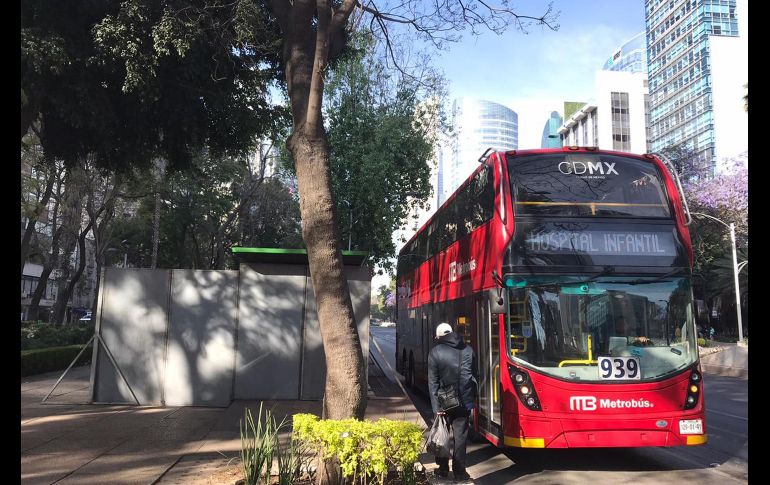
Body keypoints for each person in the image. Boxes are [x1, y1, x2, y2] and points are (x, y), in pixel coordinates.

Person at [428, 322, 477, 482]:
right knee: (461, 438)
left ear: (439, 336)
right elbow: (475, 374)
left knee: (442, 435)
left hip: (443, 403)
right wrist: (470, 399)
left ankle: (442, 469)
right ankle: (460, 473)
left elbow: (433, 382)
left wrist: (437, 408)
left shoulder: (435, 352)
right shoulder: (468, 350)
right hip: (463, 402)